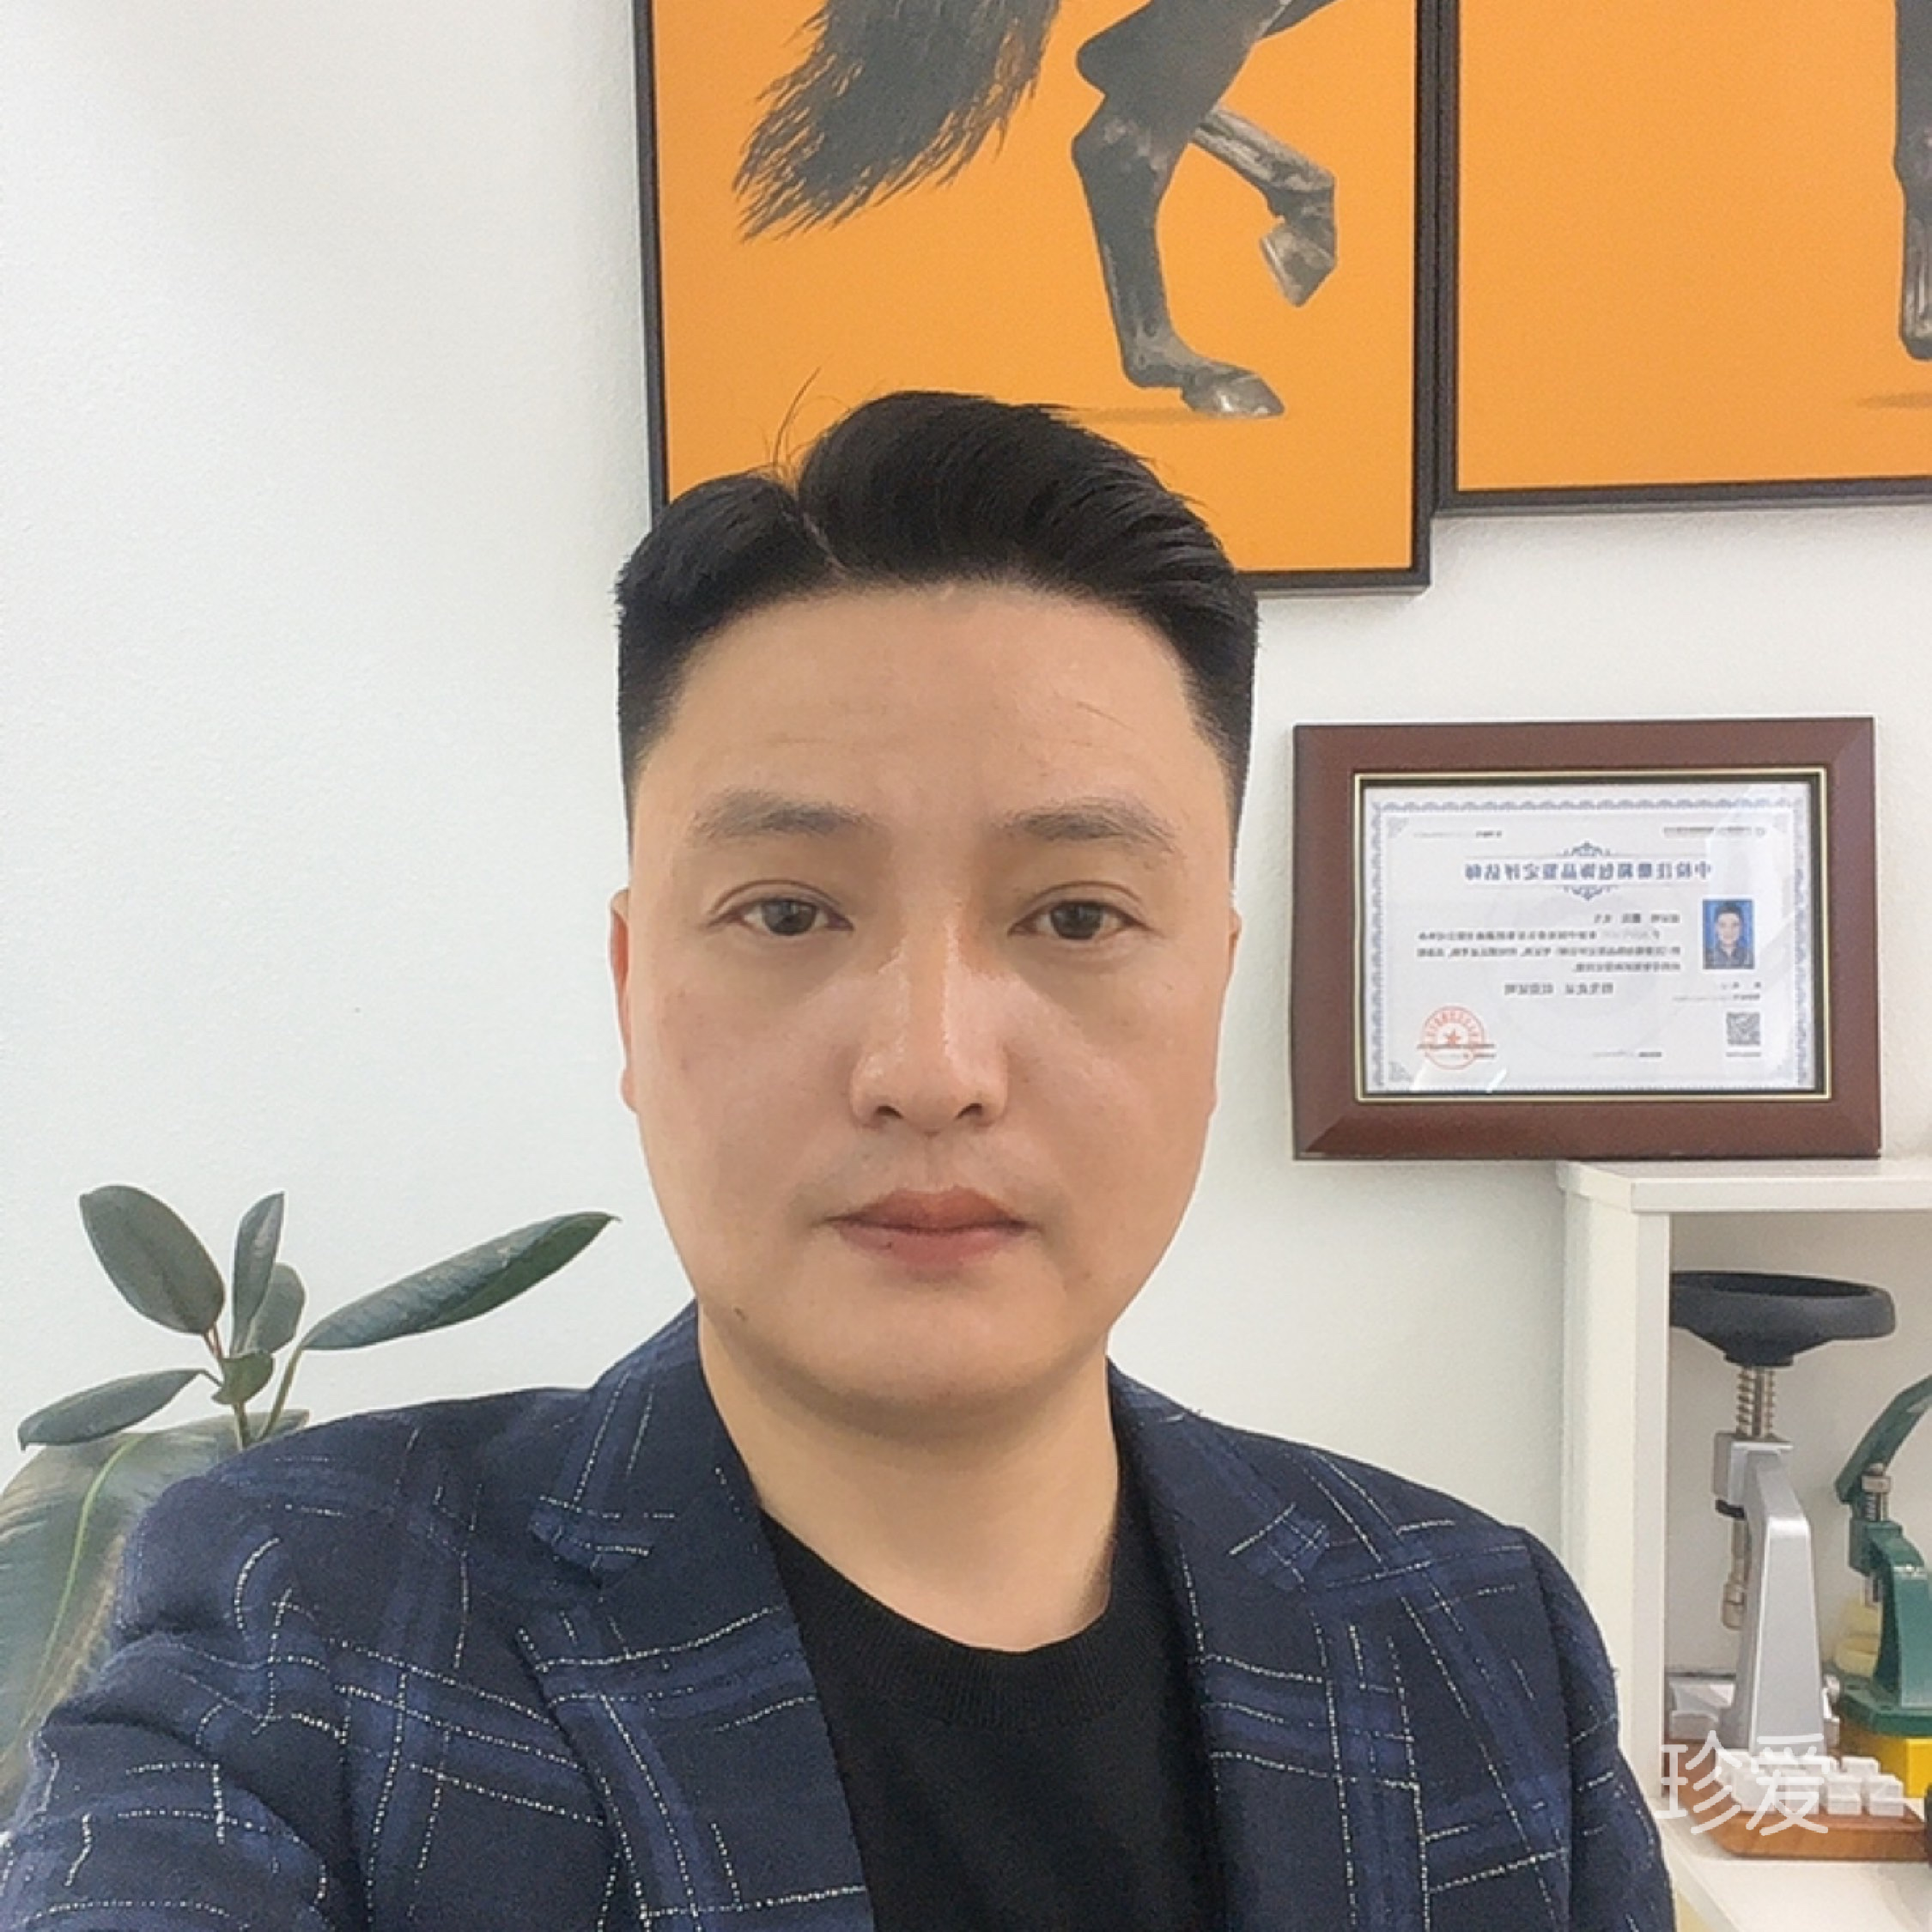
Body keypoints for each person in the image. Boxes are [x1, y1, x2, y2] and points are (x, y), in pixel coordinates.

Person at [0, 394, 1670, 1929]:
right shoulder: (309, 1619)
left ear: (1212, 994)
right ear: (635, 993)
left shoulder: (1477, 1639)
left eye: (1077, 916)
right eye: (789, 912)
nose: (929, 1068)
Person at [1704, 901, 1753, 970]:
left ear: (1742, 927)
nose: (1729, 931)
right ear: (1716, 928)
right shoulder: (1706, 957)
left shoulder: (1750, 957)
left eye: (1735, 925)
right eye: (1722, 925)